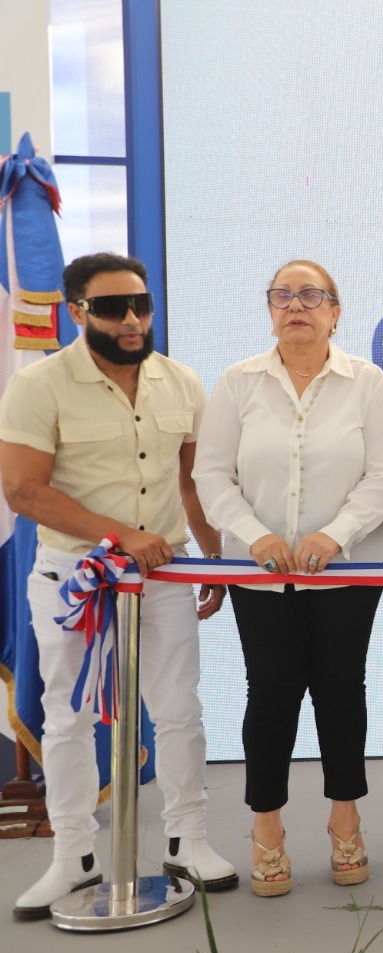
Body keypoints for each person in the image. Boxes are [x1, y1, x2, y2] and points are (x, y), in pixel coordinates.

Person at [0, 252, 236, 917]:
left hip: (162, 579)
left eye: (140, 305)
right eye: (111, 308)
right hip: (74, 580)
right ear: (78, 311)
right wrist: (119, 534)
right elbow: (23, 490)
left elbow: (192, 484)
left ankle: (187, 840)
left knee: (178, 708)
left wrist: (215, 562)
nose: (131, 320)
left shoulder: (181, 381)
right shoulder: (38, 385)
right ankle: (72, 854)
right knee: (68, 714)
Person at [194, 259, 383, 896]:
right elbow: (211, 475)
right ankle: (267, 831)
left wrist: (334, 535)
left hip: (349, 571)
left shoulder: (367, 383)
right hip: (260, 576)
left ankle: (346, 822)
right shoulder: (238, 383)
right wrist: (253, 535)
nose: (296, 306)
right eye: (282, 295)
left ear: (335, 311)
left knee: (341, 691)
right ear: (269, 310)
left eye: (310, 295)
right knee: (272, 694)